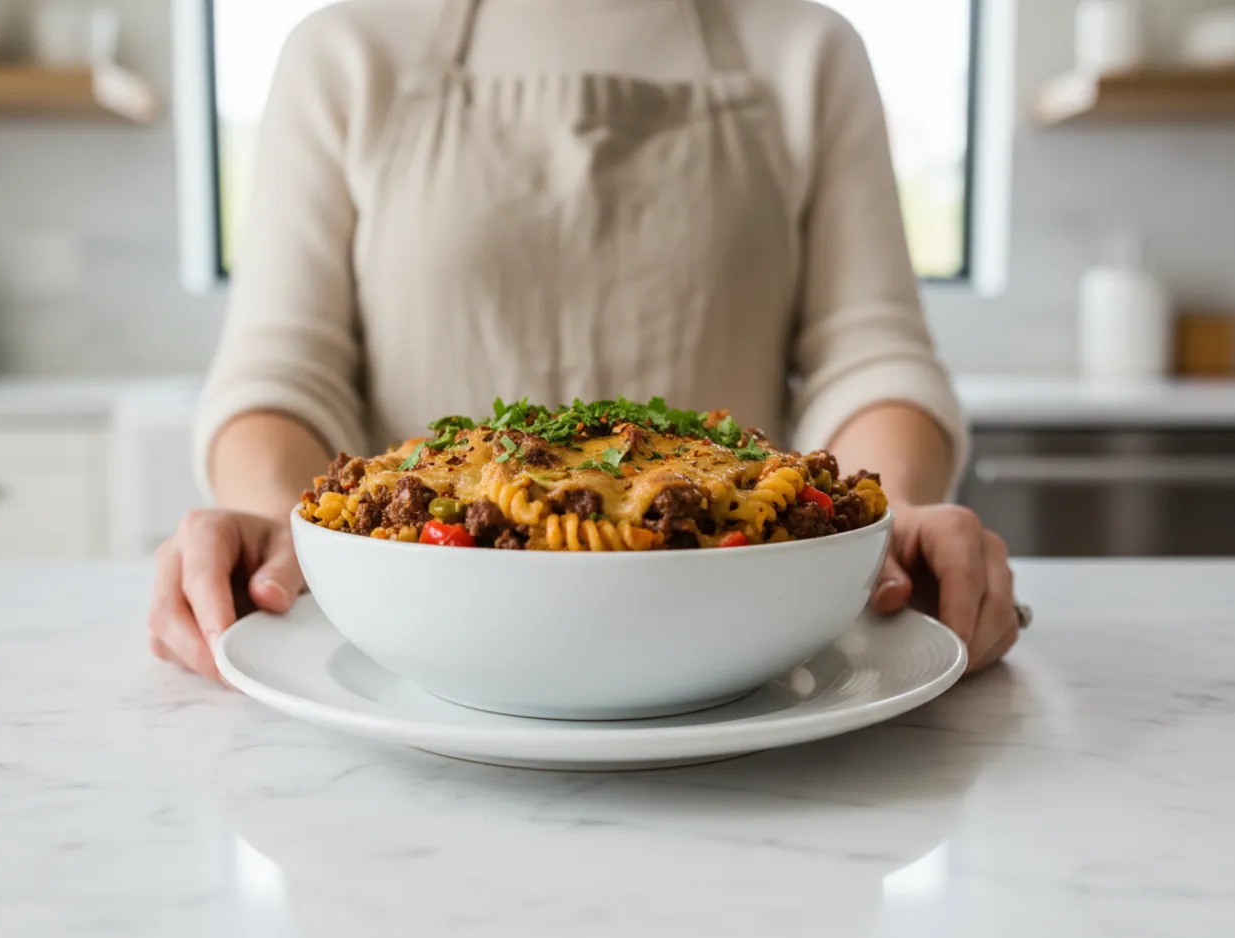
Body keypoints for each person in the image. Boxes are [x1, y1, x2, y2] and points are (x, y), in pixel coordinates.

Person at [149, 0, 1021, 683]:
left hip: (728, 623)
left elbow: (869, 353)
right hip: (421, 632)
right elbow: (281, 365)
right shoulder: (342, 50)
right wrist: (272, 522)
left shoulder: (809, 50)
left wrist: (887, 521)